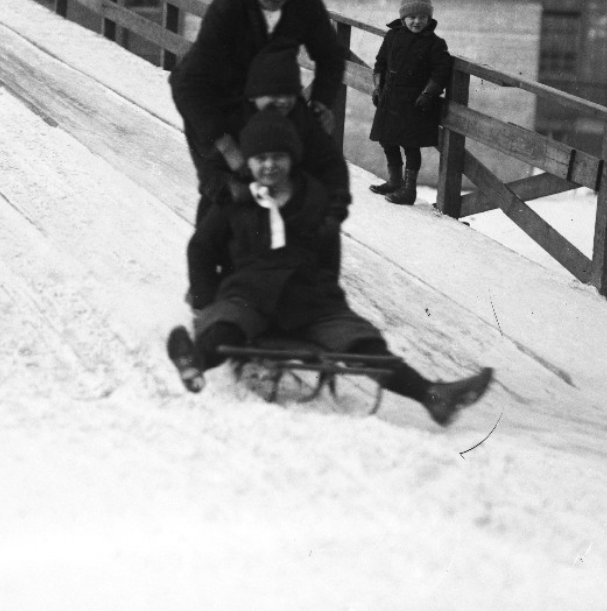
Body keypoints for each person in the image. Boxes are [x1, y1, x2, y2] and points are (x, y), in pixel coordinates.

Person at [167, 110, 494, 427]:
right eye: (260, 158)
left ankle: (433, 396)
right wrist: (204, 302)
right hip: (248, 296)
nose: (269, 165)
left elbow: (328, 257)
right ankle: (194, 361)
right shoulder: (236, 202)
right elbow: (202, 248)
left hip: (310, 302)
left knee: (361, 342)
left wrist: (330, 301)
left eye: (278, 157)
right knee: (225, 327)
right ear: (249, 162)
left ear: (291, 158)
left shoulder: (314, 200)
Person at [169, 0, 350, 224]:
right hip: (215, 106)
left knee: (287, 183)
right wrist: (227, 148)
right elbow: (187, 85)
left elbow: (330, 56)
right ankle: (213, 247)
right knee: (230, 191)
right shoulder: (227, 10)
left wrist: (321, 103)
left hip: (270, 104)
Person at [197, 37, 351, 275]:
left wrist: (333, 209)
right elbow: (210, 172)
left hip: (289, 204)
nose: (283, 101)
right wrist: (235, 190)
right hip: (244, 206)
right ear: (253, 95)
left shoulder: (304, 120)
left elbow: (331, 166)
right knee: (214, 216)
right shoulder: (234, 120)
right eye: (273, 94)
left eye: (289, 93)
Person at [367, 0, 452, 206]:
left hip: (415, 102)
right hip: (391, 98)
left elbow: (441, 72)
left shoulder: (435, 44)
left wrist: (428, 93)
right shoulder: (392, 36)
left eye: (422, 17)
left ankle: (409, 190)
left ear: (429, 18)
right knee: (387, 140)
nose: (417, 21)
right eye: (412, 17)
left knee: (410, 145)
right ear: (403, 18)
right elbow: (380, 63)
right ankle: (395, 181)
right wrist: (377, 88)